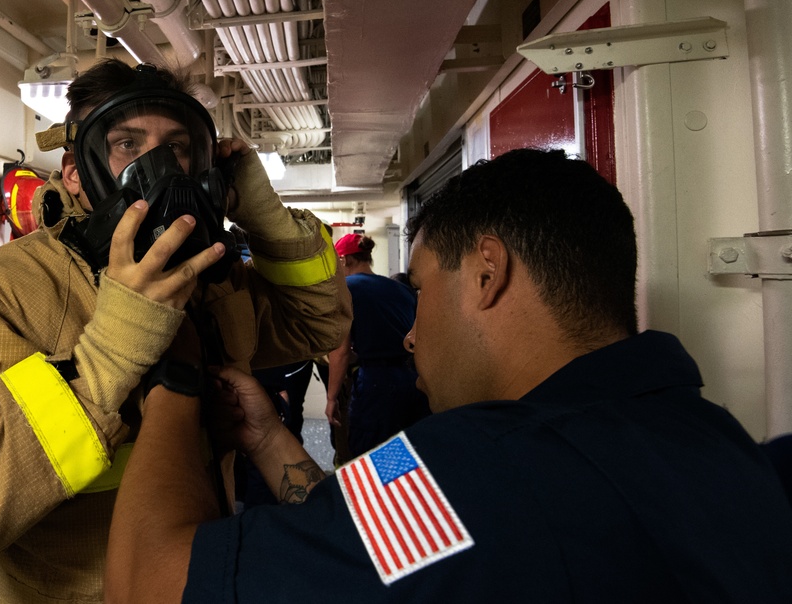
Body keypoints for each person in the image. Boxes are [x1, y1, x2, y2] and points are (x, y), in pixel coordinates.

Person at [105, 148, 792, 603]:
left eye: (424, 291)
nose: (410, 331)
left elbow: (147, 584)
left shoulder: (478, 464)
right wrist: (264, 439)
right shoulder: (721, 440)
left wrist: (177, 369)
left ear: (488, 273)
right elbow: (353, 524)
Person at [0, 59, 351, 603]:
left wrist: (263, 214)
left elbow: (322, 322)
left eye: (178, 147)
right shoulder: (0, 292)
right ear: (76, 173)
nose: (161, 166)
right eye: (128, 144)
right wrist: (107, 360)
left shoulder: (205, 283)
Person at [327, 233, 430, 457]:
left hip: (377, 384)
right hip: (415, 379)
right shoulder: (399, 288)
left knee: (370, 453)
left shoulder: (345, 289)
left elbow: (341, 351)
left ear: (345, 260)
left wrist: (331, 398)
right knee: (408, 452)